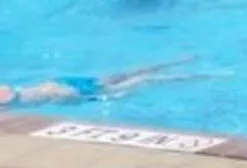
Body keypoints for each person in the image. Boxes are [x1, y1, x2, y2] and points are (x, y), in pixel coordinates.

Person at [2, 60, 197, 108]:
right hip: (59, 82)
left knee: (141, 82)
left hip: (71, 92)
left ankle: (194, 76)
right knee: (121, 76)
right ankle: (179, 61)